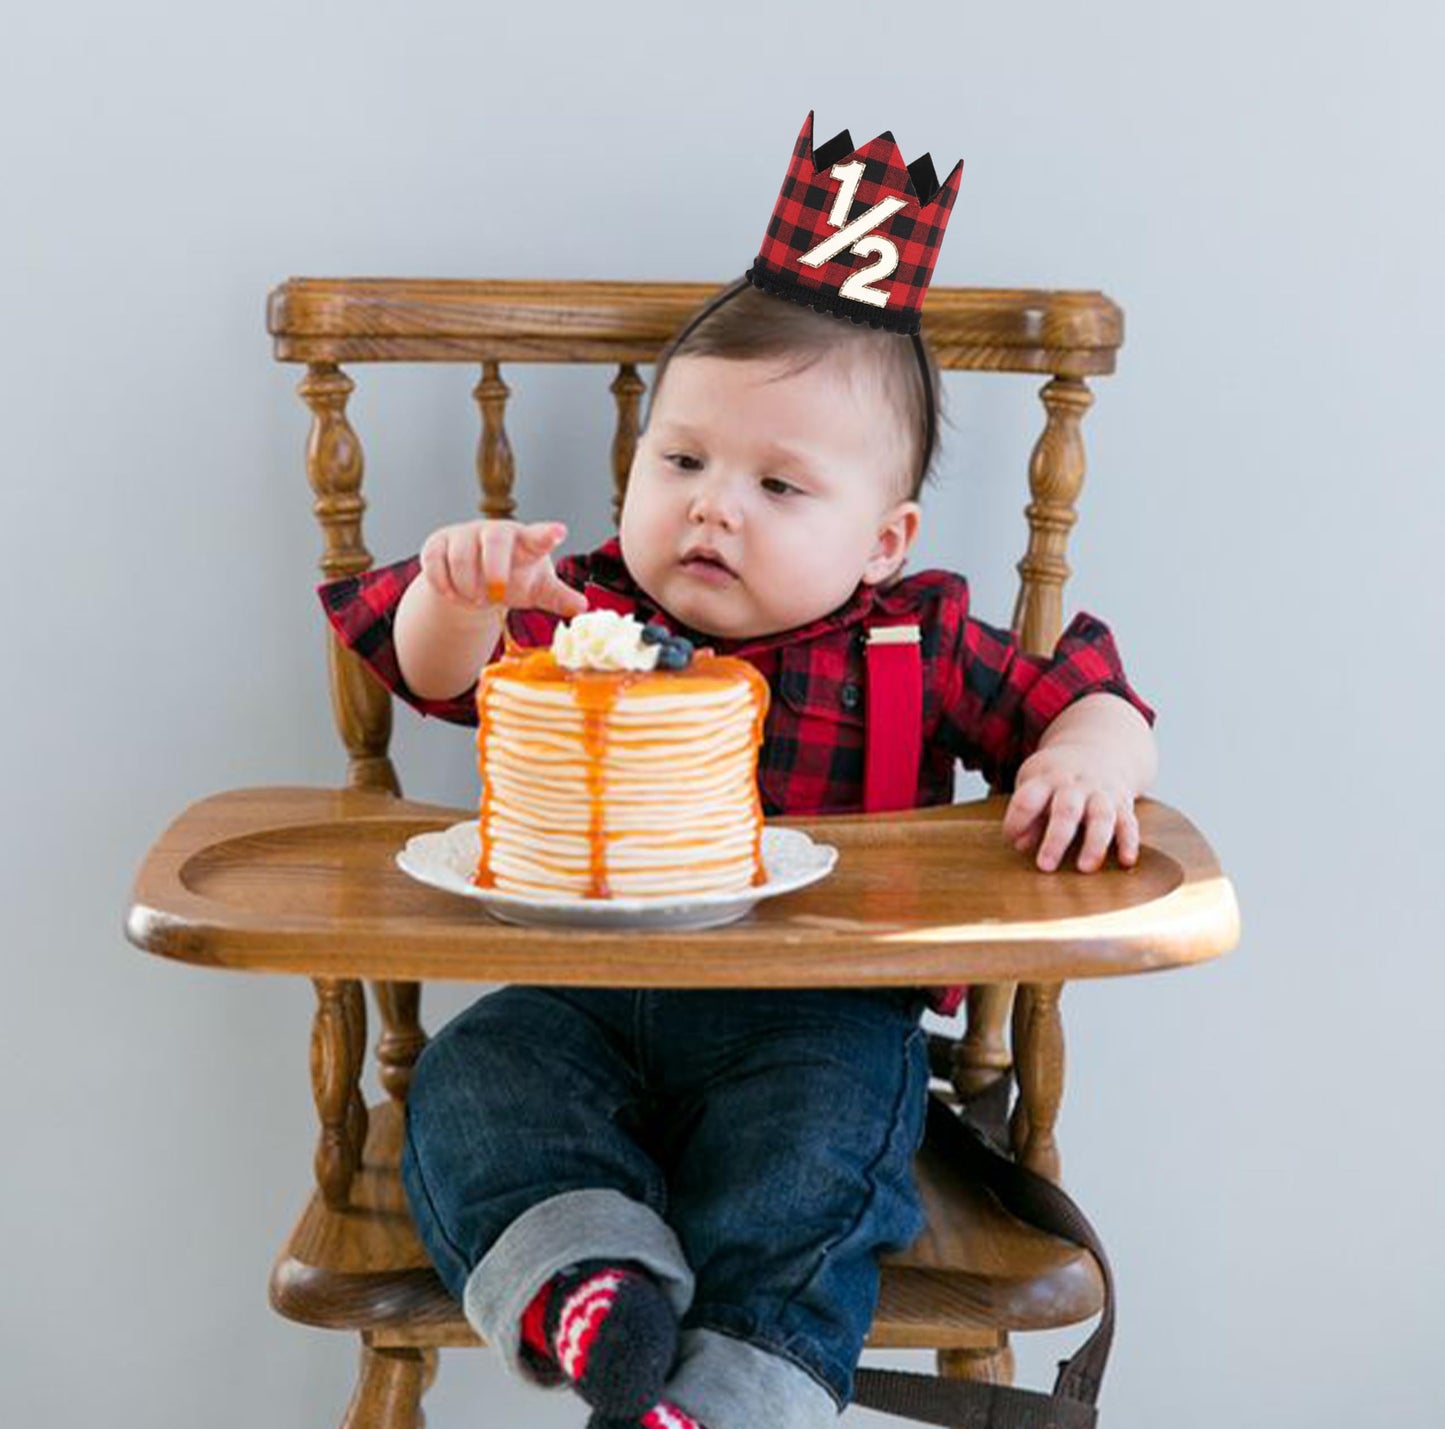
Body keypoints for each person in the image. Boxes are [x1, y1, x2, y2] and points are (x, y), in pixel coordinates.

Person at [316, 116, 1156, 1429]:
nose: (715, 504)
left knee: (814, 1167)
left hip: (818, 1013)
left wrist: (1094, 751)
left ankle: (722, 1393)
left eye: (778, 482)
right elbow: (427, 672)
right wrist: (459, 591)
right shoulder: (579, 614)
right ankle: (588, 1290)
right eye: (683, 460)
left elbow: (1084, 695)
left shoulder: (914, 638)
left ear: (882, 538)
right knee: (476, 1085)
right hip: (582, 992)